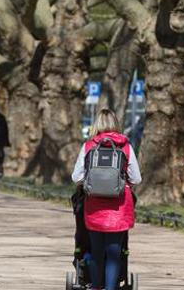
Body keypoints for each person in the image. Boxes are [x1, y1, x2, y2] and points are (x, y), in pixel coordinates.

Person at [71, 109, 141, 290]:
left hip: (94, 207)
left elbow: (76, 176)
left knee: (96, 252)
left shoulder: (88, 146)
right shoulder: (125, 146)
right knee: (114, 253)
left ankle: (96, 286)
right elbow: (137, 178)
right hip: (119, 207)